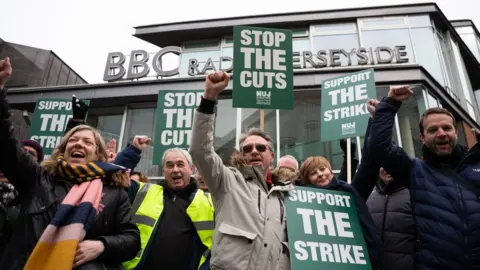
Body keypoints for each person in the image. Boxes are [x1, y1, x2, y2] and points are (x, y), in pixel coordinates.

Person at [0, 57, 140, 269]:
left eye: (87, 142)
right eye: (72, 140)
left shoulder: (114, 192)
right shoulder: (39, 179)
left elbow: (132, 239)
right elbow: (6, 144)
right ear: (63, 151)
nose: (78, 145)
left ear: (98, 155)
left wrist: (102, 245)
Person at [189, 71, 294, 270]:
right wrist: (209, 99)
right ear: (241, 155)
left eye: (261, 148)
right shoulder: (226, 181)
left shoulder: (289, 194)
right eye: (247, 148)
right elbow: (199, 150)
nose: (254, 151)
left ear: (271, 156)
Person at [369, 85, 480, 269]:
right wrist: (390, 105)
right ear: (422, 137)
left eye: (446, 128)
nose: (441, 133)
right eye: (433, 130)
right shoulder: (415, 170)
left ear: (456, 132)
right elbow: (380, 148)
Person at [122, 147, 214, 270]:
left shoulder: (209, 201)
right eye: (169, 165)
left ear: (190, 169)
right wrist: (133, 151)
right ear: (164, 171)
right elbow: (117, 178)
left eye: (180, 164)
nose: (175, 170)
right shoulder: (143, 191)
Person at [298, 155, 382, 269]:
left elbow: (365, 223)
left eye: (322, 169)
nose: (320, 174)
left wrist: (373, 254)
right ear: (308, 180)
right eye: (313, 173)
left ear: (330, 170)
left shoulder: (347, 191)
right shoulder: (302, 201)